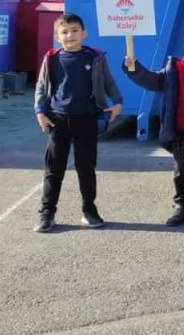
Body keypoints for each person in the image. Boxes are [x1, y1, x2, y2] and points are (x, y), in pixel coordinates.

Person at [33, 13, 123, 233]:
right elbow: (41, 86)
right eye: (64, 32)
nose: (70, 35)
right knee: (54, 169)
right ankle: (47, 213)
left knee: (86, 168)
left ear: (84, 33)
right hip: (58, 120)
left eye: (75, 31)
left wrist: (117, 102)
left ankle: (89, 210)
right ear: (57, 37)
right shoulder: (52, 58)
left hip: (87, 119)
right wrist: (40, 111)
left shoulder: (95, 57)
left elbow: (109, 82)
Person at [122, 21, 184, 227]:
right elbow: (152, 80)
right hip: (180, 132)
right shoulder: (175, 69)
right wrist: (134, 69)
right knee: (181, 171)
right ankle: (181, 207)